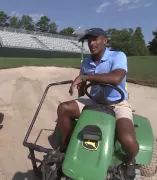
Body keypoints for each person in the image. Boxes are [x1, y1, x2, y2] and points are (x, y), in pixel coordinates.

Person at [57, 28, 139, 180]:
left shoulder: (117, 56)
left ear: (105, 41)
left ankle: (131, 160)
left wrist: (85, 77)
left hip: (117, 103)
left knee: (127, 140)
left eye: (95, 39)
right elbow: (83, 88)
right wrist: (78, 88)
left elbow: (116, 78)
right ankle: (65, 146)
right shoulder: (86, 62)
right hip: (94, 100)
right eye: (89, 40)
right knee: (64, 108)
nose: (91, 43)